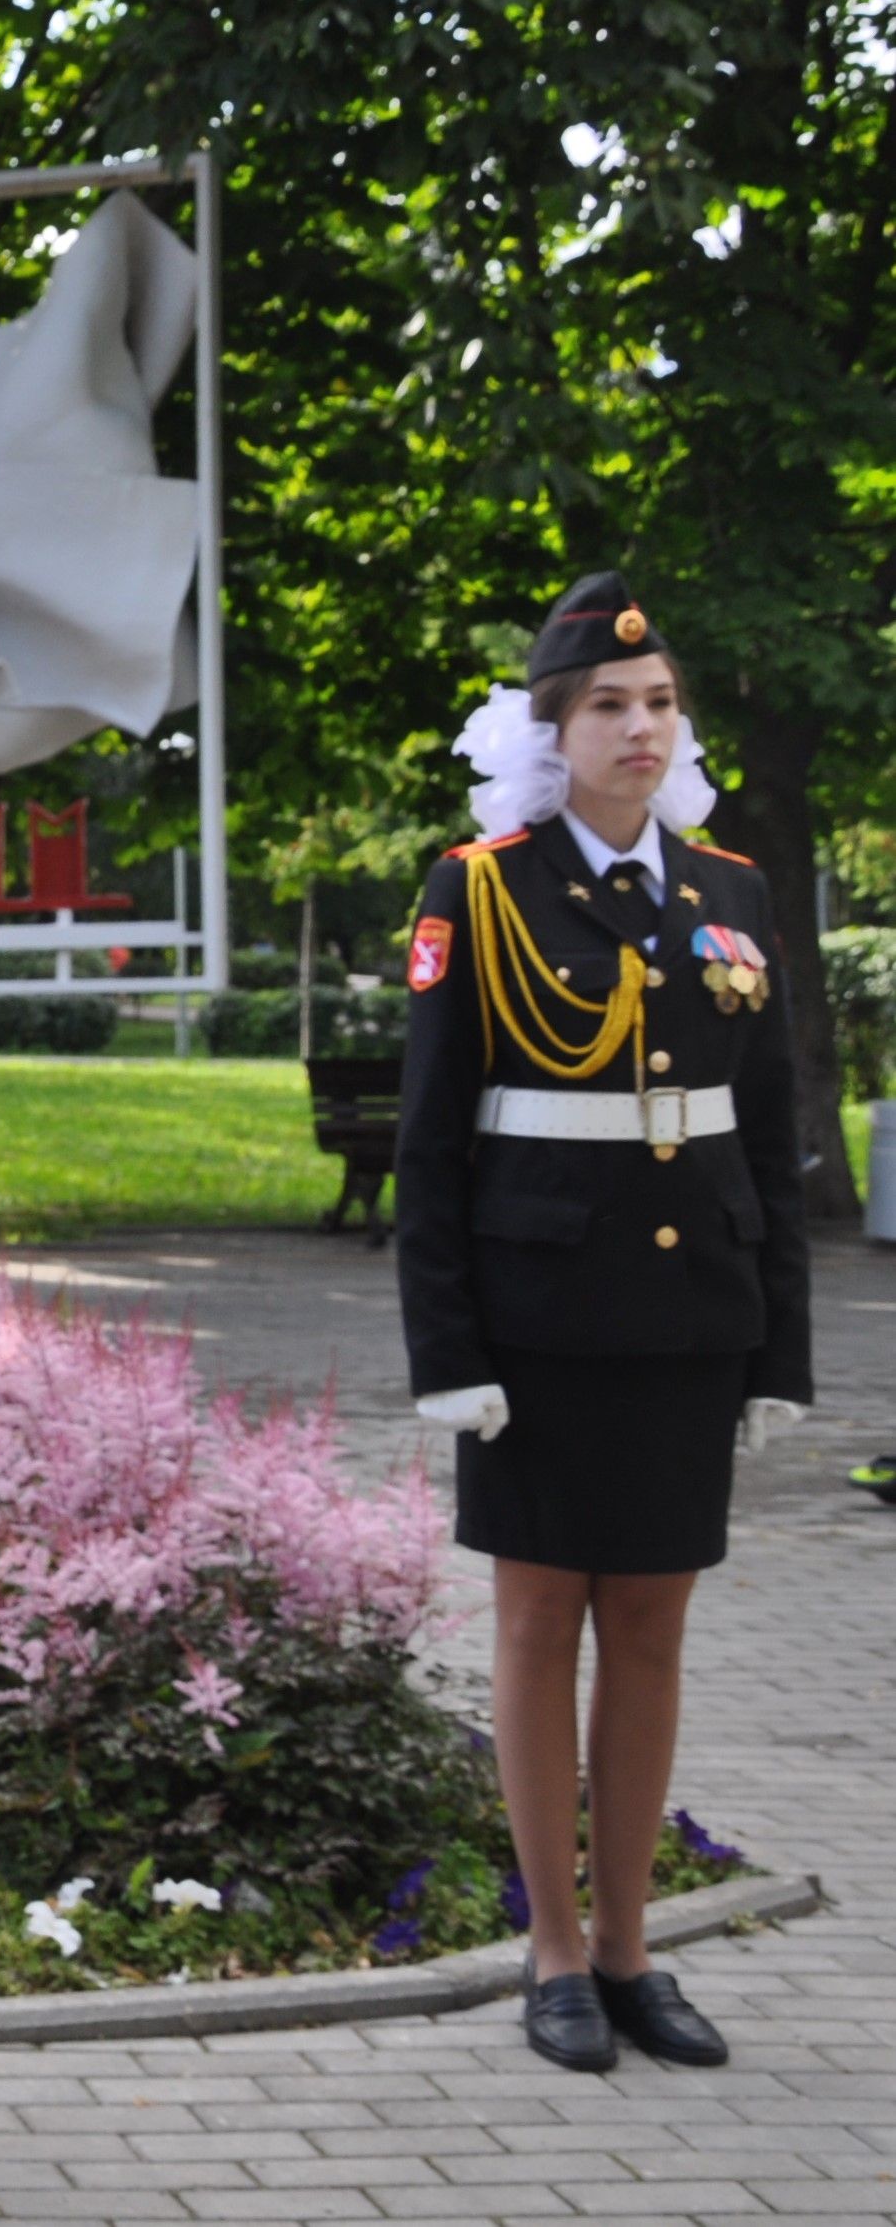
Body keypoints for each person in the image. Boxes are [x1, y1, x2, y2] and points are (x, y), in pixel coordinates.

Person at [393, 572, 811, 2076]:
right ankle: (552, 1950)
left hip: (687, 1311)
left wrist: (779, 1351)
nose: (637, 728)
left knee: (647, 1628)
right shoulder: (481, 889)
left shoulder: (730, 894)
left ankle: (633, 1948)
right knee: (534, 1623)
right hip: (536, 1319)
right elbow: (429, 1144)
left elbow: (764, 1146)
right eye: (605, 708)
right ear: (550, 732)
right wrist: (444, 1355)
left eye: (654, 705)